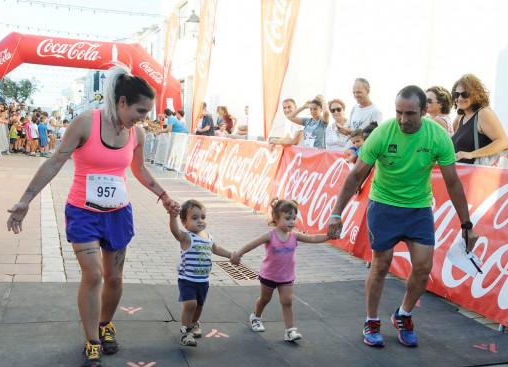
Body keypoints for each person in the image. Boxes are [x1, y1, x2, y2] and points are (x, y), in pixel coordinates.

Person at [7, 64, 180, 367]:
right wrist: (25, 200)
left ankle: (105, 324)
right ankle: (92, 343)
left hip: (118, 213)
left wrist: (164, 195)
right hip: (83, 212)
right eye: (140, 110)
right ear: (122, 101)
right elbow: (55, 161)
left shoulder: (136, 133)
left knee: (114, 278)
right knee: (94, 274)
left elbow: (139, 170)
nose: (144, 118)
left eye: (148, 113)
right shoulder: (85, 124)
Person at [327, 85, 478, 348]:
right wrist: (336, 213)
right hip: (384, 206)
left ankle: (404, 314)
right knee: (381, 264)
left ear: (424, 111)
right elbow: (356, 174)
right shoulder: (384, 132)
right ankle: (372, 320)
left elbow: (453, 182)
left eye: (410, 113)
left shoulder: (437, 135)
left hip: (418, 209)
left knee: (423, 267)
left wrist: (467, 225)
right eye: (399, 112)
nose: (403, 119)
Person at [231, 198, 328, 342]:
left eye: (294, 218)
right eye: (288, 218)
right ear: (276, 218)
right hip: (269, 275)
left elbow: (312, 238)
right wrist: (238, 254)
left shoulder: (295, 236)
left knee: (287, 301)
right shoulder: (270, 235)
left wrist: (329, 236)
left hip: (286, 276)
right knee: (265, 299)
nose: (292, 222)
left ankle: (290, 330)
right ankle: (256, 317)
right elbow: (252, 244)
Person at [169, 199, 235, 347]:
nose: (200, 221)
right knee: (191, 304)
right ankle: (186, 332)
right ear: (184, 222)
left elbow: (216, 249)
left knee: (199, 305)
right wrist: (172, 217)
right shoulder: (186, 237)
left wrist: (231, 255)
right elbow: (175, 231)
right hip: (187, 279)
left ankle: (194, 323)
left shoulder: (209, 237)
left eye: (203, 217)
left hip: (203, 280)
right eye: (194, 218)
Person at [451, 74, 508, 165]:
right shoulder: (462, 117)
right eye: (456, 95)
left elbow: (503, 142)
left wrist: (472, 154)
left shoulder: (483, 113)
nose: (459, 98)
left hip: (479, 174)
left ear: (475, 95)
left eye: (465, 94)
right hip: (464, 174)